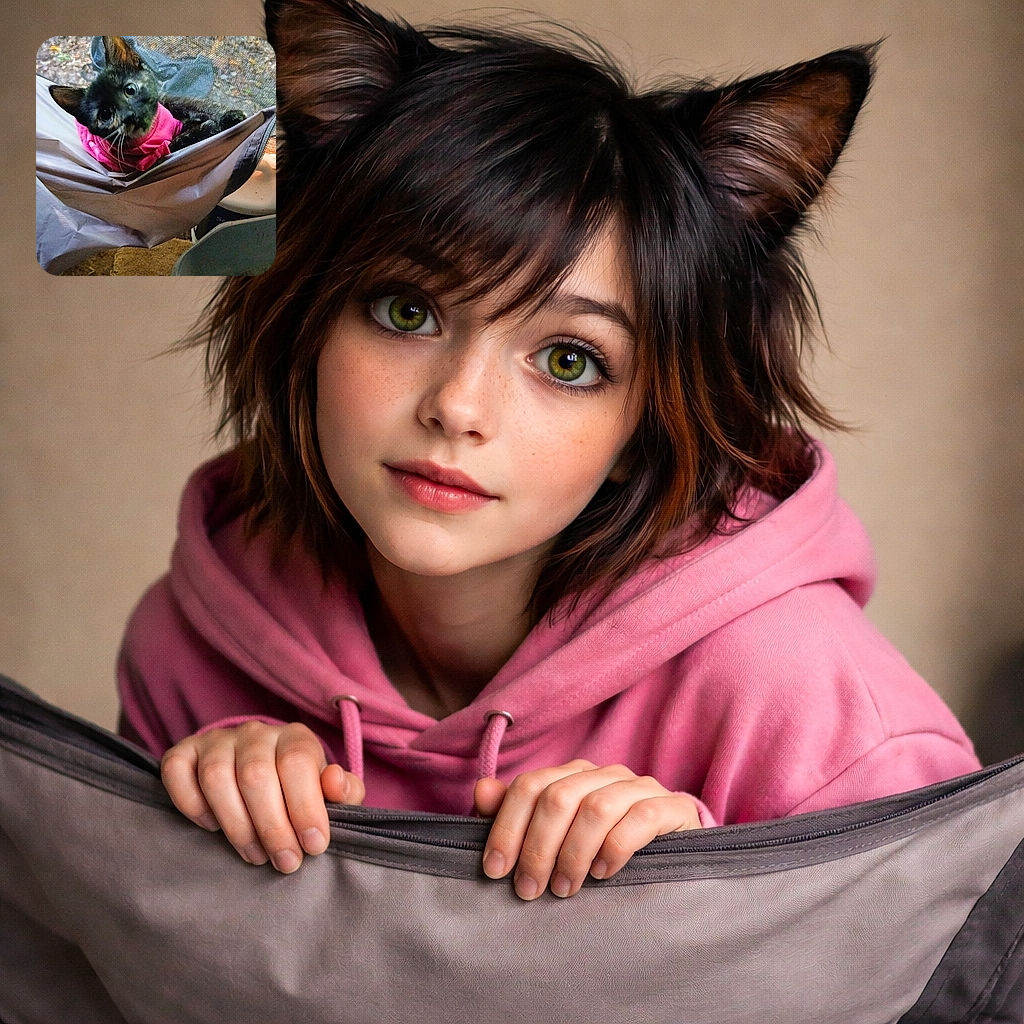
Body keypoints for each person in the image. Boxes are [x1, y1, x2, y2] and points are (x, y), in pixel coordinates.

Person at [118, 0, 980, 902]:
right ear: (307, 326)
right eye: (405, 311)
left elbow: (970, 976)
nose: (458, 407)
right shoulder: (188, 642)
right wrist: (177, 829)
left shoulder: (804, 695)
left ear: (649, 423)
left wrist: (724, 896)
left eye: (570, 361)